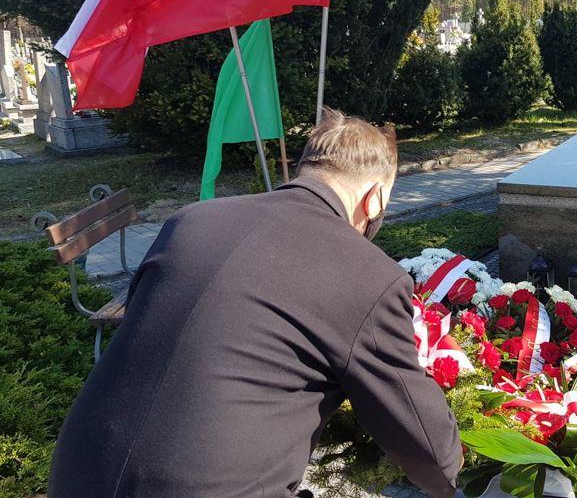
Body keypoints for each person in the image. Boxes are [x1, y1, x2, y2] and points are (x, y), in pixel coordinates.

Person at [49, 109, 463, 498]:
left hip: (77, 473)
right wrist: (455, 474)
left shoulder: (190, 220)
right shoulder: (368, 275)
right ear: (374, 199)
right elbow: (430, 453)